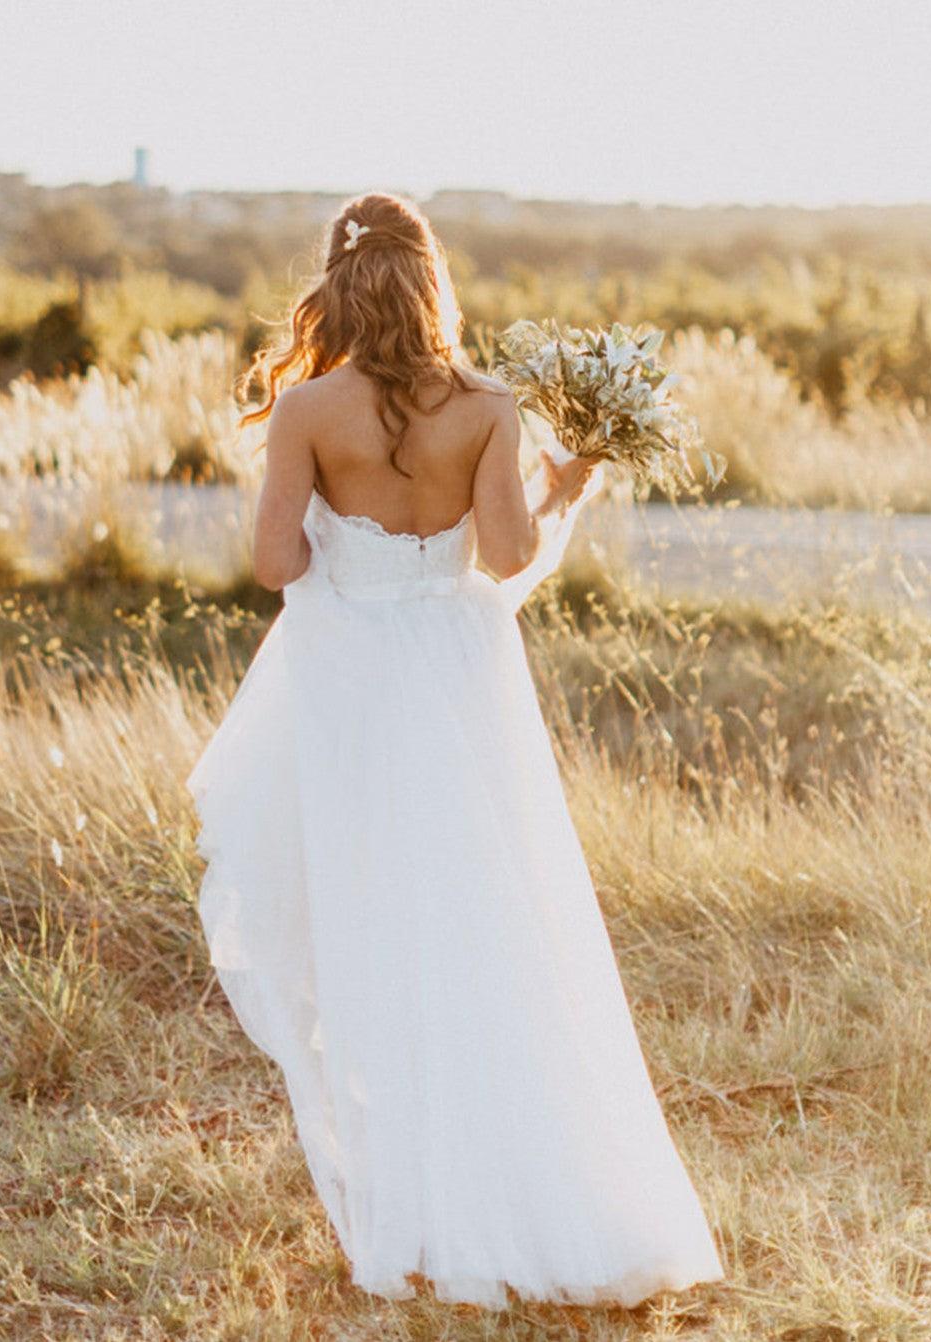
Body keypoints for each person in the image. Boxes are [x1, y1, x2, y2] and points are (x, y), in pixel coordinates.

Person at [186, 192, 724, 1309]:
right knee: (488, 918)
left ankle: (419, 1213)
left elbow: (276, 566)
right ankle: (531, 1197)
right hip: (462, 678)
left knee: (372, 930)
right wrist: (560, 488)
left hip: (350, 689)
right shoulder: (488, 406)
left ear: (335, 284)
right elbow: (506, 556)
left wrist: (346, 544)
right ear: (432, 278)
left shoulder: (307, 409)